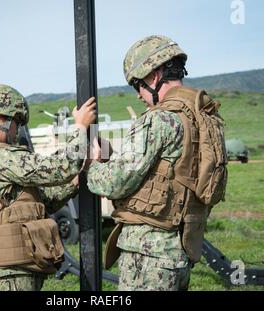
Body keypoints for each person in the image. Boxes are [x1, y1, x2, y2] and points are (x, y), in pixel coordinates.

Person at [87, 35, 219, 291]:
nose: (138, 95)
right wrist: (113, 158)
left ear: (155, 75)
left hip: (148, 256)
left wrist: (93, 166)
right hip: (180, 249)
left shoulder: (159, 120)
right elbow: (170, 174)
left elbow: (114, 183)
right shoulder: (204, 118)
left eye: (138, 85)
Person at [0, 83, 95, 291]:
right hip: (11, 273)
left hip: (5, 269)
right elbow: (62, 167)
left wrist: (75, 182)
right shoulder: (1, 157)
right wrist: (80, 127)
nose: (16, 130)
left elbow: (39, 202)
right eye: (15, 121)